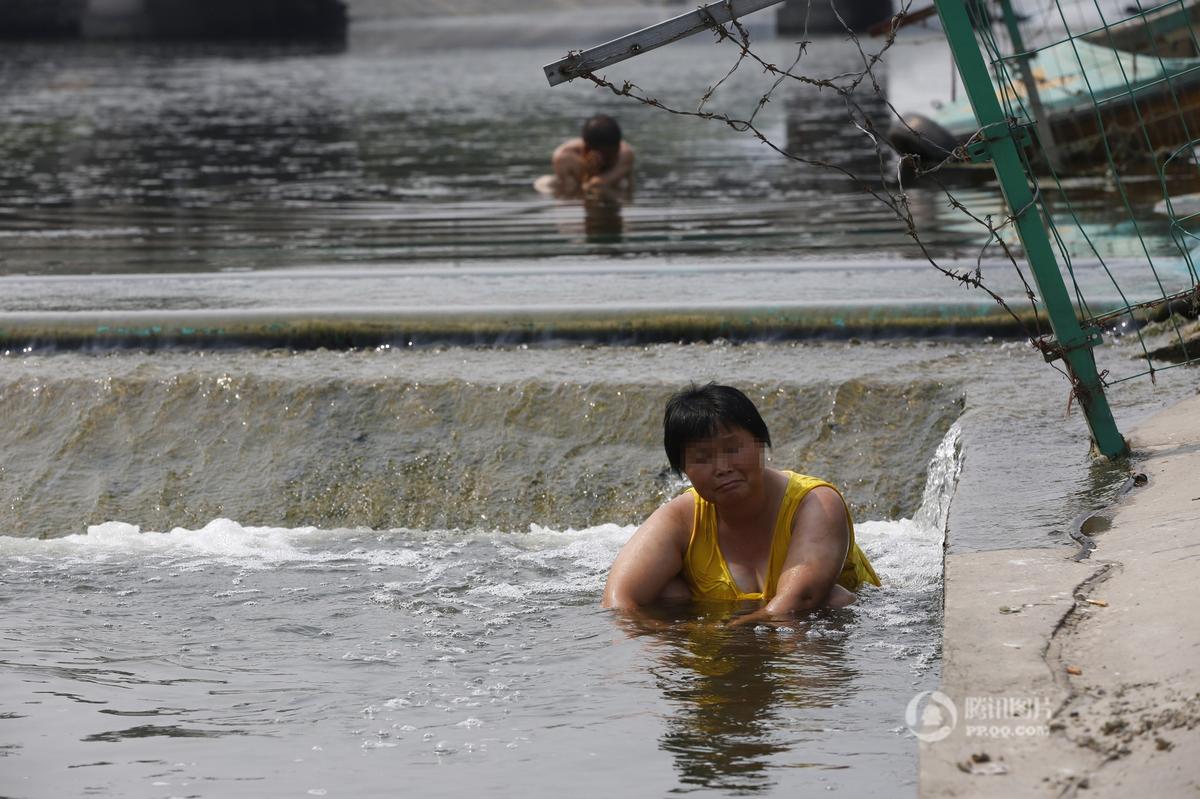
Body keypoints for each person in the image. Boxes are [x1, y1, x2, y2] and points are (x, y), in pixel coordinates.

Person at [602, 383, 880, 625]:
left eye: (732, 449)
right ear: (683, 469)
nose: (722, 467)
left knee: (831, 600)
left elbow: (802, 599)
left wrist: (726, 632)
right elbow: (618, 601)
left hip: (839, 625)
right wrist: (667, 636)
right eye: (702, 458)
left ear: (760, 443)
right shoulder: (681, 517)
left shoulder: (816, 502)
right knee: (665, 592)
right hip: (729, 635)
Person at [536, 113, 635, 198]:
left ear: (618, 146)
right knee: (545, 184)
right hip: (577, 188)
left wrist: (592, 175)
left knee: (622, 184)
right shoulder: (564, 157)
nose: (608, 160)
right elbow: (572, 192)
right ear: (586, 150)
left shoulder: (625, 154)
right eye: (605, 156)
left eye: (613, 153)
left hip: (612, 189)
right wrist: (587, 173)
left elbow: (599, 184)